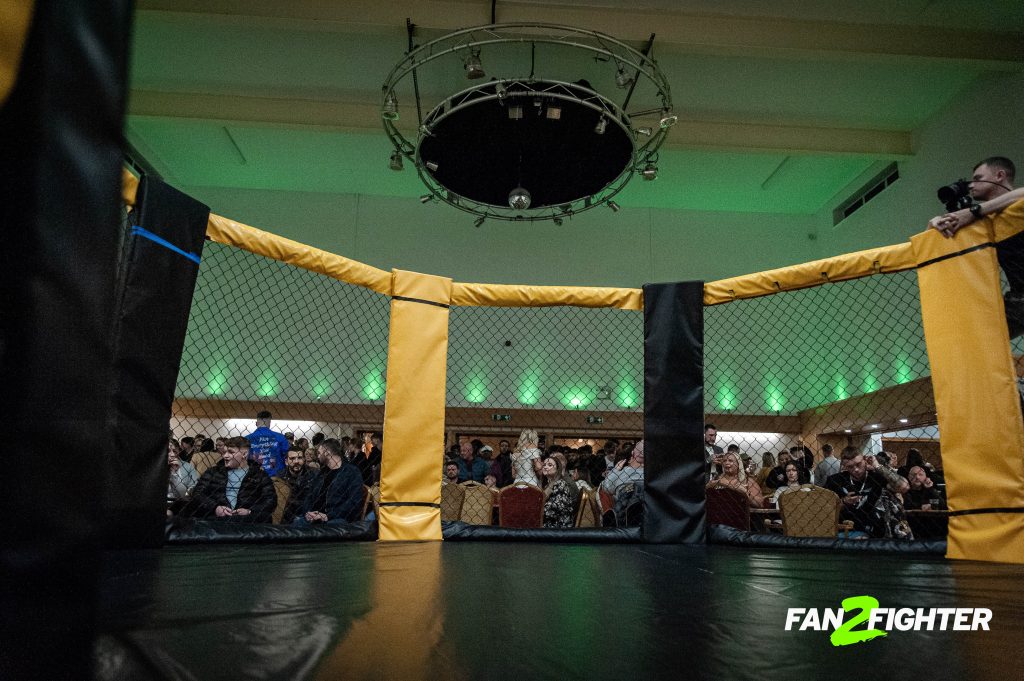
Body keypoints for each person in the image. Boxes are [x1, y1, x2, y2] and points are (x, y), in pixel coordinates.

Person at [930, 157, 1024, 334]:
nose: (971, 185)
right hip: (1019, 297)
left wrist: (974, 211)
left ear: (1000, 175)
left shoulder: (1018, 204)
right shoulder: (986, 221)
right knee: (975, 332)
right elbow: (935, 240)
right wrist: (935, 223)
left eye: (978, 178)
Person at [182, 436, 277, 522]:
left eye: (231, 452)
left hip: (246, 520)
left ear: (244, 454)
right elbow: (197, 493)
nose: (225, 456)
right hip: (216, 518)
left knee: (265, 517)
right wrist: (215, 508)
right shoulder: (213, 472)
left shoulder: (259, 475)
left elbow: (270, 500)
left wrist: (250, 511)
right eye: (224, 452)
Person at [825, 446, 908, 538]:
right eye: (850, 467)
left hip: (875, 530)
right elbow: (824, 509)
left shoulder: (876, 477)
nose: (856, 469)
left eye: (858, 464)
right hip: (845, 530)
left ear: (865, 460)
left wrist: (877, 466)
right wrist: (844, 502)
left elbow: (903, 487)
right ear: (844, 466)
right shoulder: (835, 480)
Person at [294, 438, 365, 525]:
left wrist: (327, 516)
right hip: (315, 516)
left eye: (319, 453)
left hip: (336, 518)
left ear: (327, 453)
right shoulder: (322, 472)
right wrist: (308, 512)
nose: (318, 456)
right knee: (297, 522)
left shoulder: (351, 472)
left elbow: (354, 502)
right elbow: (310, 496)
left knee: (332, 525)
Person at [275, 448, 316, 524]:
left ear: (304, 460)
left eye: (299, 458)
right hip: (287, 517)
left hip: (309, 515)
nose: (296, 461)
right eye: (292, 458)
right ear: (286, 462)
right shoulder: (280, 477)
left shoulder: (314, 474)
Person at [246, 410, 290, 477]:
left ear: (256, 423)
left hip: (254, 476)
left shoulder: (247, 439)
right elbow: (287, 456)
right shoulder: (280, 437)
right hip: (276, 476)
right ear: (269, 423)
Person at [541, 453, 578, 528]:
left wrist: (537, 510)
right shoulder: (548, 484)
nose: (545, 467)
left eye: (550, 465)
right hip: (547, 521)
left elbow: (556, 510)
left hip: (557, 526)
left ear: (558, 468)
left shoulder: (560, 484)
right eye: (544, 465)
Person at [166, 439, 198, 509]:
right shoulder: (156, 467)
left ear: (179, 451)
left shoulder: (188, 467)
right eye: (168, 451)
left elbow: (191, 490)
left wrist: (175, 473)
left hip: (180, 505)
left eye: (174, 451)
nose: (172, 454)